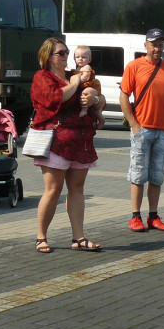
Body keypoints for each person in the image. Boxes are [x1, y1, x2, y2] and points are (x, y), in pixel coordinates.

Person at [29, 37, 105, 253]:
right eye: (60, 53)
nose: (66, 56)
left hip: (80, 140)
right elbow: (57, 98)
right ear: (48, 57)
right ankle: (41, 236)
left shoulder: (75, 75)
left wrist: (95, 101)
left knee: (77, 188)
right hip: (55, 140)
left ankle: (79, 238)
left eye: (66, 52)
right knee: (53, 190)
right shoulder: (42, 77)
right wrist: (75, 84)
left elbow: (99, 95)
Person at [120, 28, 164, 232]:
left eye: (161, 44)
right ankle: (135, 216)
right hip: (142, 129)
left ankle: (153, 216)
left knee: (157, 176)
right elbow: (124, 96)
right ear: (145, 45)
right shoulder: (134, 66)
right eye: (154, 44)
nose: (158, 48)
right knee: (138, 175)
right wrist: (134, 125)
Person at [72, 45, 105, 129]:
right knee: (95, 110)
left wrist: (76, 80)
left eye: (83, 57)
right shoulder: (78, 68)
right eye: (77, 57)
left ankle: (84, 110)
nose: (80, 59)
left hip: (92, 87)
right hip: (87, 87)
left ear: (89, 59)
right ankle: (101, 119)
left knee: (85, 93)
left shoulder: (86, 67)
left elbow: (85, 77)